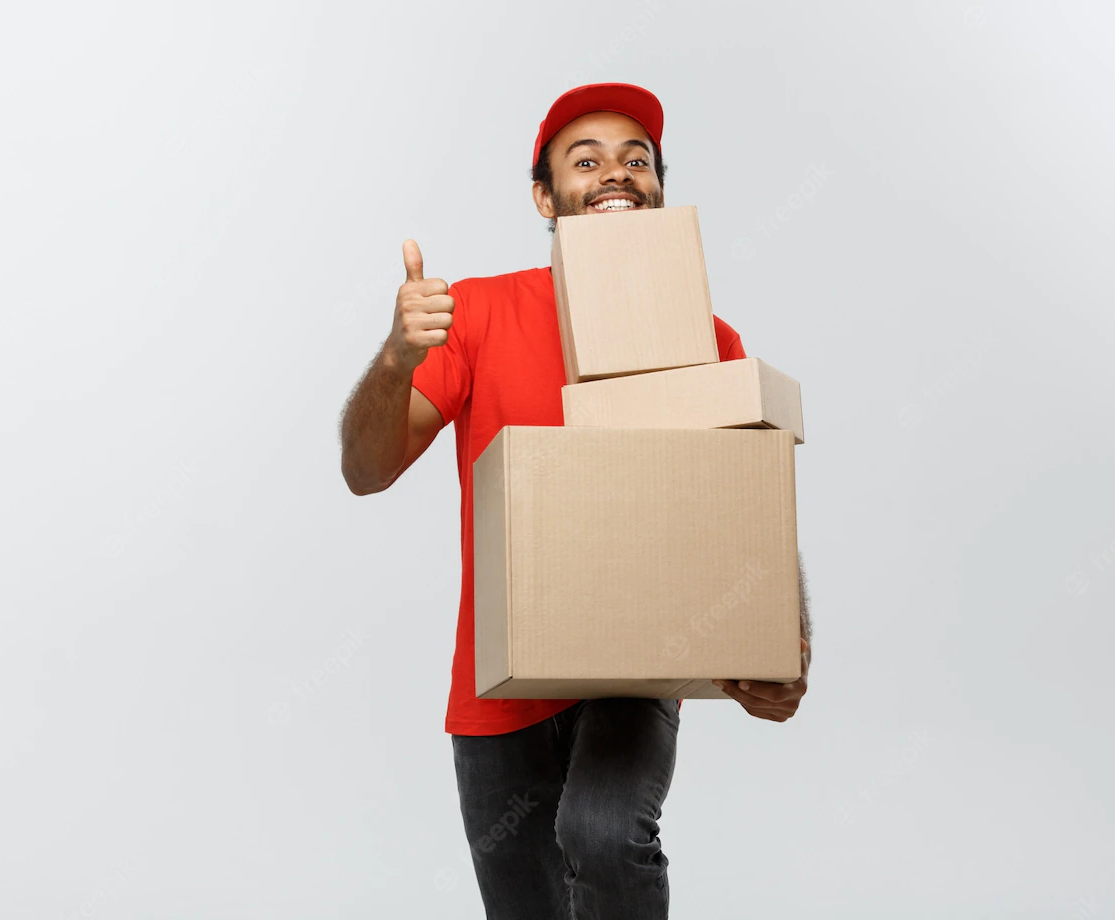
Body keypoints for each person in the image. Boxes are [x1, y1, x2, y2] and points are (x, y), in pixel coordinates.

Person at [339, 82, 812, 919]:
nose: (616, 173)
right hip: (496, 691)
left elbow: (751, 496)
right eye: (584, 160)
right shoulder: (477, 312)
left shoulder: (705, 338)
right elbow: (366, 471)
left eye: (637, 159)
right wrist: (396, 358)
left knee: (600, 828)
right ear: (544, 196)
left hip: (634, 665)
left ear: (660, 188)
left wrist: (788, 639)